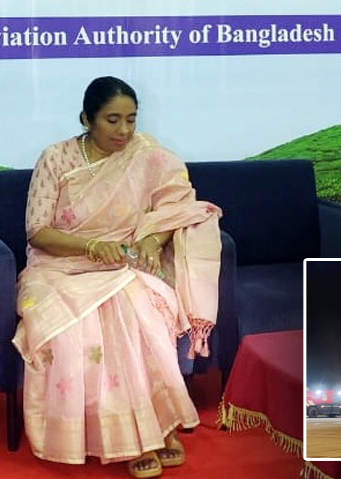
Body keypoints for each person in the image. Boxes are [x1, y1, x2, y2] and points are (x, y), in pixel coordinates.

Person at [15, 77, 222, 479]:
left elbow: (178, 207)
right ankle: (133, 439)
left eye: (131, 119)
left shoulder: (147, 155)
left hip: (123, 265)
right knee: (81, 327)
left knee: (138, 309)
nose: (124, 130)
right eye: (112, 120)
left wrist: (151, 241)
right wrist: (91, 246)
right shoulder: (55, 158)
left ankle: (157, 427)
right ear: (86, 119)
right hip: (58, 268)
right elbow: (37, 232)